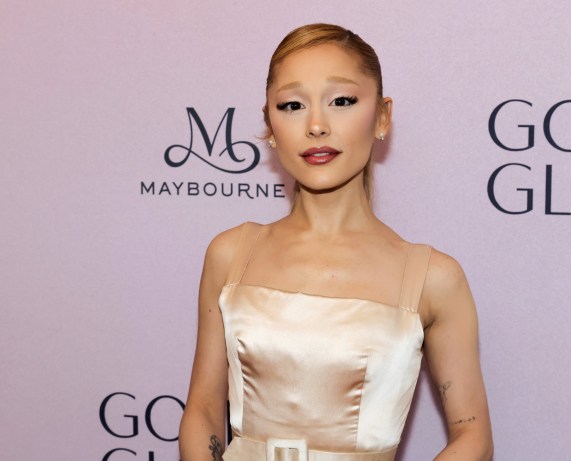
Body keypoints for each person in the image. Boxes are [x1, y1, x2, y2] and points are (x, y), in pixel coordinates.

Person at [179, 23, 493, 461]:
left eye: (342, 101)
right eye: (291, 105)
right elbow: (204, 408)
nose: (316, 125)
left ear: (382, 116)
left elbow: (472, 436)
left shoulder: (433, 279)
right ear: (269, 124)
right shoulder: (230, 255)